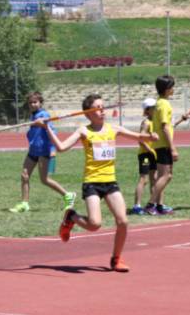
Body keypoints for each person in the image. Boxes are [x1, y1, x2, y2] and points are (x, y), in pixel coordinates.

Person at [50, 94, 157, 272]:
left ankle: (116, 259)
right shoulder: (83, 131)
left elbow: (138, 136)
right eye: (97, 108)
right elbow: (61, 148)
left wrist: (150, 137)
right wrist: (47, 128)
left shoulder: (113, 128)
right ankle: (71, 217)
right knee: (94, 224)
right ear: (88, 114)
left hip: (110, 182)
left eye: (103, 107)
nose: (102, 110)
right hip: (92, 183)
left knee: (123, 221)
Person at [9, 92, 76, 214]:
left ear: (40, 103)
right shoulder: (33, 116)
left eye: (35, 102)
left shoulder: (44, 115)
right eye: (30, 103)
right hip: (33, 150)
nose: (32, 104)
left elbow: (52, 132)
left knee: (44, 180)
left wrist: (44, 125)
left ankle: (68, 195)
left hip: (43, 151)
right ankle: (24, 204)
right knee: (24, 175)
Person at [145, 75, 178, 215]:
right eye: (172, 86)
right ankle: (150, 204)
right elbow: (165, 127)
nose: (173, 89)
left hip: (159, 143)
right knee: (166, 176)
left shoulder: (159, 102)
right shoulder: (164, 104)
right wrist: (172, 147)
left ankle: (159, 205)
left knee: (164, 176)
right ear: (166, 89)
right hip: (163, 144)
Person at [131, 98, 158, 215]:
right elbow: (140, 139)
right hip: (145, 155)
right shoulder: (146, 122)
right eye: (153, 108)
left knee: (154, 179)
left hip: (153, 154)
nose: (156, 109)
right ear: (147, 110)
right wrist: (149, 150)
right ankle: (136, 206)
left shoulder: (155, 121)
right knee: (144, 179)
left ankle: (153, 204)